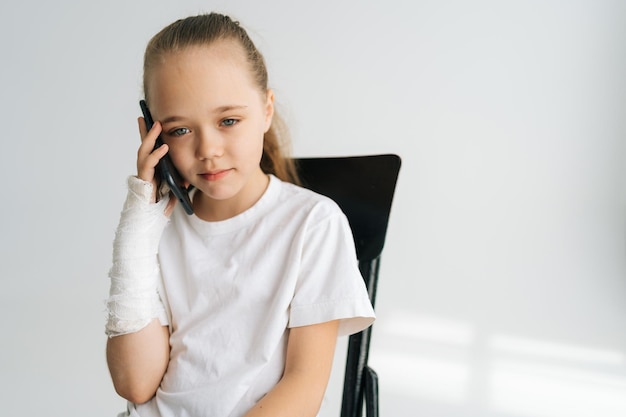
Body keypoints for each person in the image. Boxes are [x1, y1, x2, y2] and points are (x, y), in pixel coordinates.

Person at [105, 12, 375, 417]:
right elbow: (134, 382)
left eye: (228, 120)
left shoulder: (313, 224)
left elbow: (303, 391)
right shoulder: (156, 232)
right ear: (152, 134)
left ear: (266, 109)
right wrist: (137, 227)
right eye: (180, 130)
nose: (208, 148)